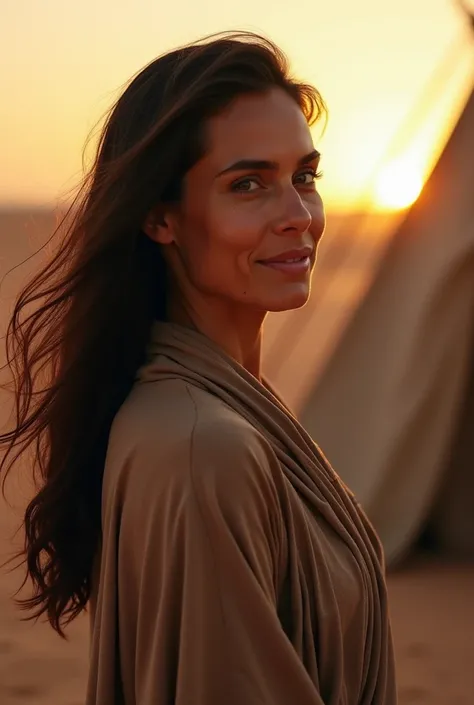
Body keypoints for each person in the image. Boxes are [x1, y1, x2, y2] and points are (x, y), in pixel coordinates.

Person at [0, 31, 397, 705]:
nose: (298, 215)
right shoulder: (202, 445)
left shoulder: (220, 412)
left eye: (304, 178)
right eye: (248, 185)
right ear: (162, 218)